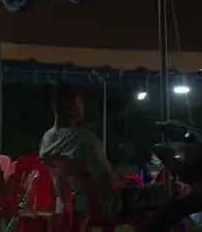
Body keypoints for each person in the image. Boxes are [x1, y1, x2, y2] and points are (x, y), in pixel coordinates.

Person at [40, 83, 182, 218]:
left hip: (69, 204)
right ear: (71, 107)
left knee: (148, 192)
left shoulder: (47, 139)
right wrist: (125, 186)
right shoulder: (84, 140)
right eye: (80, 102)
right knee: (174, 189)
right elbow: (105, 181)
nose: (83, 106)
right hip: (104, 205)